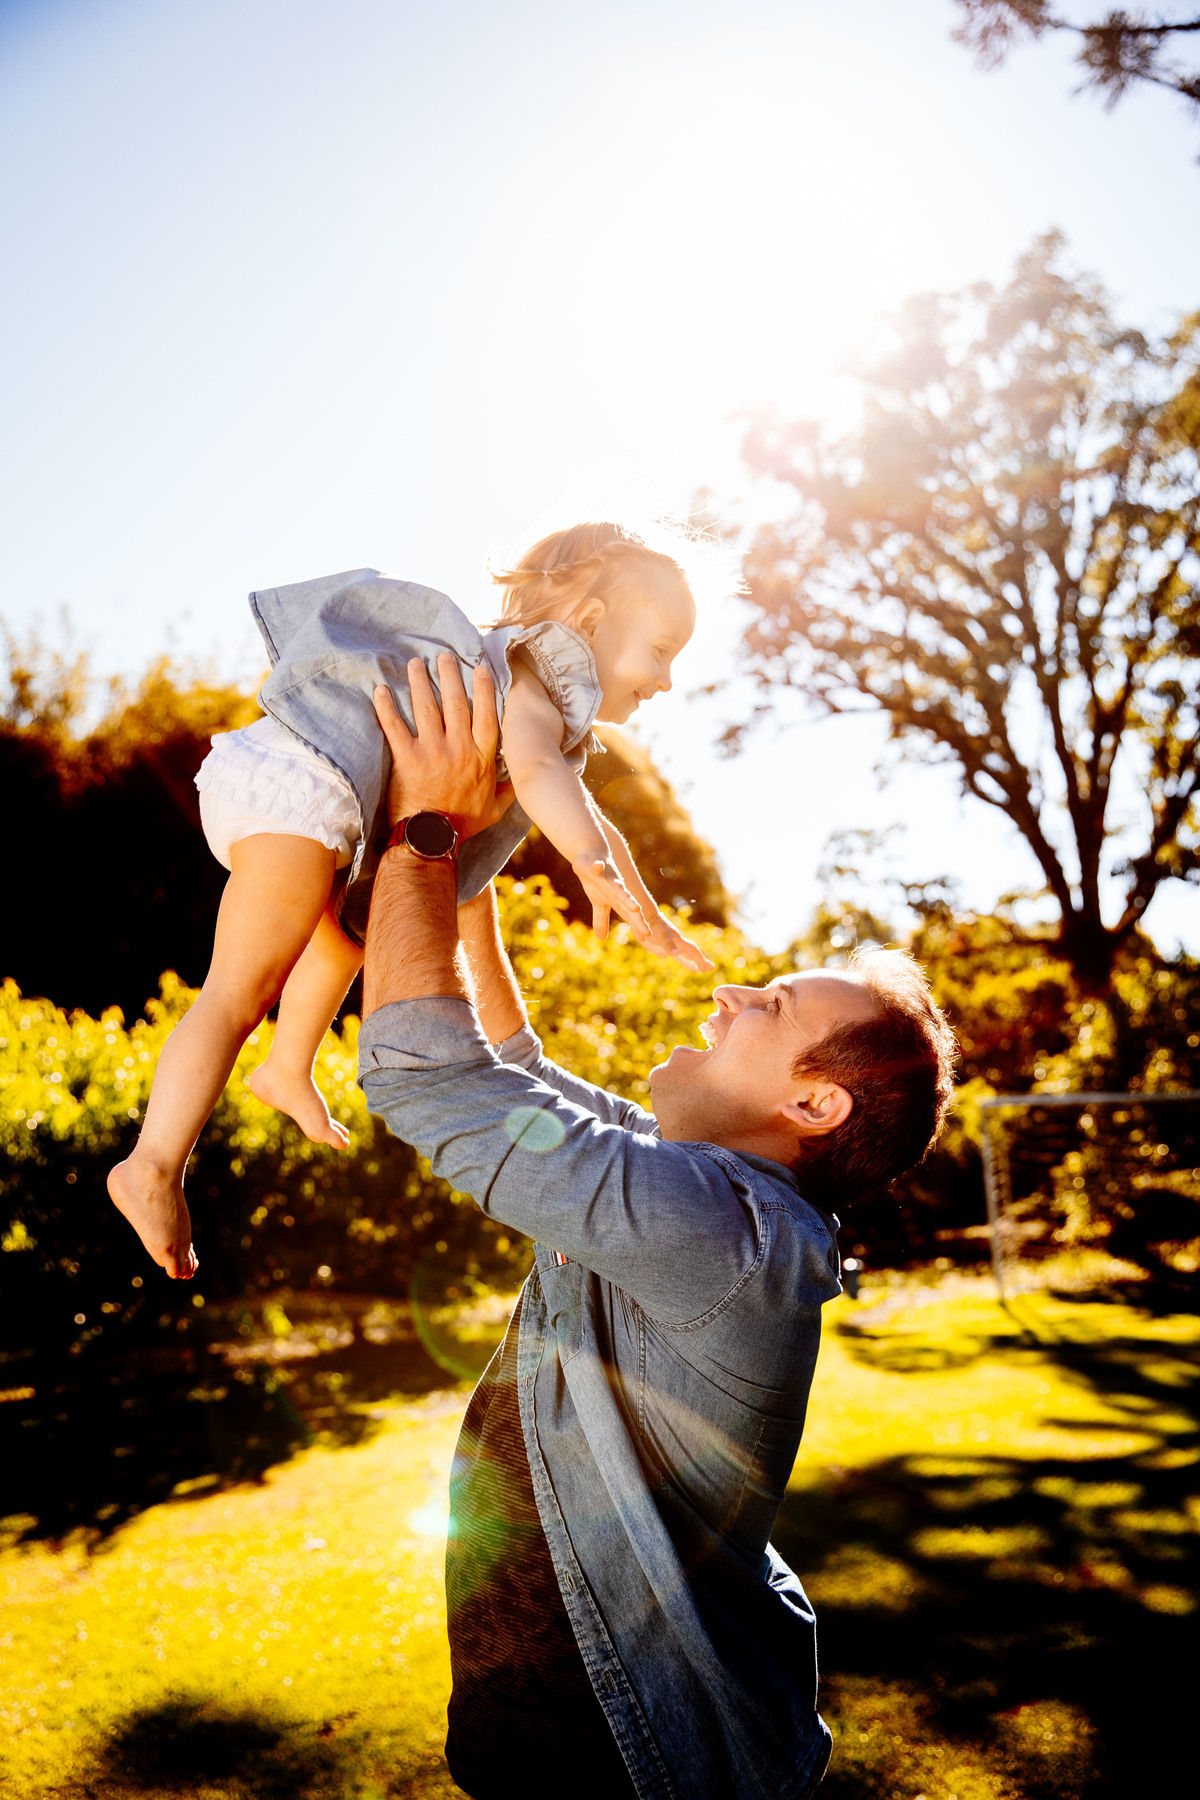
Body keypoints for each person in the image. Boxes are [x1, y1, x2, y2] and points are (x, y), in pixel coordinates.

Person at [355, 659, 958, 1800]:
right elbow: (515, 1077)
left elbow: (426, 1080)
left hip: (615, 1749)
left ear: (813, 1106)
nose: (731, 996)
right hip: (565, 1723)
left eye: (769, 1007)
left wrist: (421, 830)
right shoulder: (706, 1190)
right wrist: (475, 881)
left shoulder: (712, 1228)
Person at [109, 522, 712, 1282]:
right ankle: (153, 1165)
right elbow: (533, 769)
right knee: (237, 991)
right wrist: (589, 867)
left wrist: (641, 908)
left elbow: (591, 817)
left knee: (344, 936)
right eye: (660, 652)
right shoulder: (541, 670)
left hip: (322, 803)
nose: (664, 680)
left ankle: (286, 1068)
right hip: (305, 785)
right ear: (590, 624)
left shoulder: (541, 694)